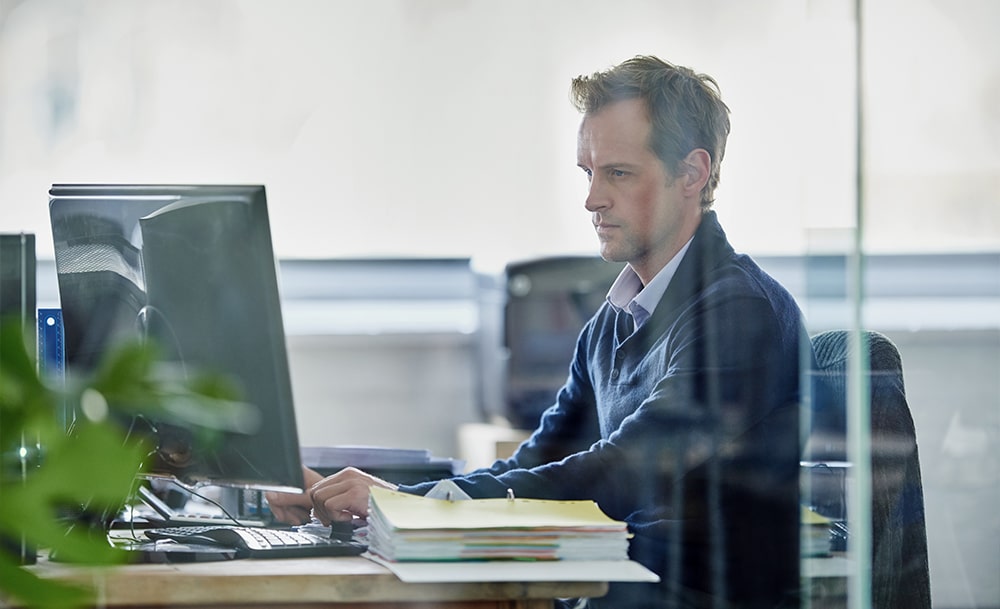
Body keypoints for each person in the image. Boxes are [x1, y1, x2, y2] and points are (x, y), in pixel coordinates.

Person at [268, 55, 807, 609]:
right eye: (588, 172)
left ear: (691, 174)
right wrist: (385, 498)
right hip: (605, 592)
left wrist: (413, 504)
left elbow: (623, 473)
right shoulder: (613, 321)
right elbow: (535, 462)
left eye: (618, 173)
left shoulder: (739, 312)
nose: (593, 198)